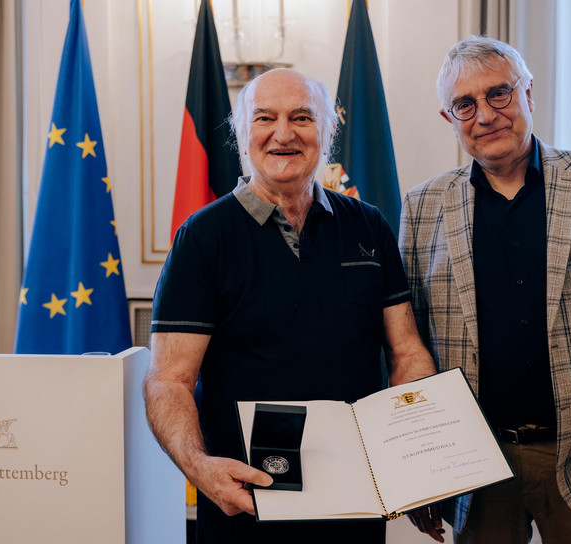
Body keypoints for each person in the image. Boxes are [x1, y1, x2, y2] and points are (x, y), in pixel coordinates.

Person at [400, 36, 571, 543]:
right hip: (472, 466)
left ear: (529, 94)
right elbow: (408, 345)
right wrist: (422, 468)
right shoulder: (422, 207)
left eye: (499, 94)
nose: (485, 115)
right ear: (450, 119)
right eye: (465, 104)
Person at [144, 68, 438, 543]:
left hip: (353, 500)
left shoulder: (368, 226)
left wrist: (416, 455)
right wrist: (201, 469)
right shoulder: (202, 238)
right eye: (265, 118)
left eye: (302, 117)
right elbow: (168, 380)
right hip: (245, 501)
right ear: (243, 134)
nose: (284, 134)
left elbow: (407, 353)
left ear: (327, 131)